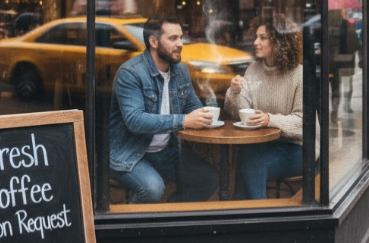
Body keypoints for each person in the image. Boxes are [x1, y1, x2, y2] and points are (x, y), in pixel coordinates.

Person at [109, 16, 218, 203]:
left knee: (209, 178)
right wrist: (184, 120)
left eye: (181, 38)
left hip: (167, 151)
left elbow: (193, 107)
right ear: (153, 41)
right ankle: (126, 227)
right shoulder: (131, 73)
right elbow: (135, 120)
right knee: (152, 189)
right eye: (173, 38)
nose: (181, 44)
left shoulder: (180, 71)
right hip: (131, 154)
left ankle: (173, 215)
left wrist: (209, 112)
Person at [224, 16, 313, 199]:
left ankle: (257, 217)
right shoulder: (253, 70)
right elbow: (238, 112)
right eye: (256, 37)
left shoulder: (299, 75)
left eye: (263, 38)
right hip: (263, 143)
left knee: (251, 164)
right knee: (246, 155)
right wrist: (234, 92)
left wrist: (269, 119)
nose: (256, 42)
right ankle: (244, 217)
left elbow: (304, 122)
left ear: (281, 41)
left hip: (298, 148)